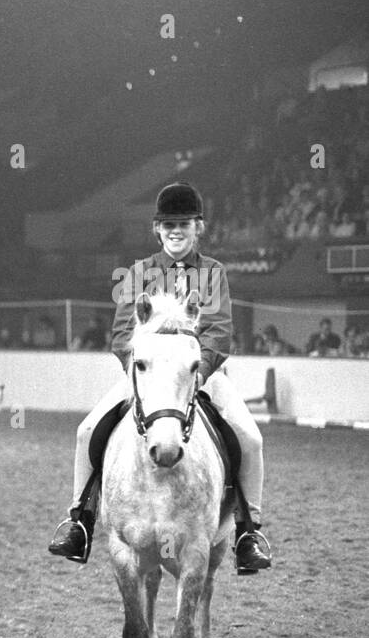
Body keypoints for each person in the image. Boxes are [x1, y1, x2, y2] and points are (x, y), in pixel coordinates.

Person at [48, 182, 272, 574]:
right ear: (157, 228)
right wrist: (144, 376)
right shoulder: (138, 273)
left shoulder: (213, 273)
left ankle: (247, 530)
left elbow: (218, 332)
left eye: (183, 223)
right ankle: (79, 520)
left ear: (197, 226)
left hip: (202, 377)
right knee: (86, 432)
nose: (175, 230)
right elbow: (122, 334)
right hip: (148, 381)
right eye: (168, 224)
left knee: (251, 440)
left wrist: (196, 374)